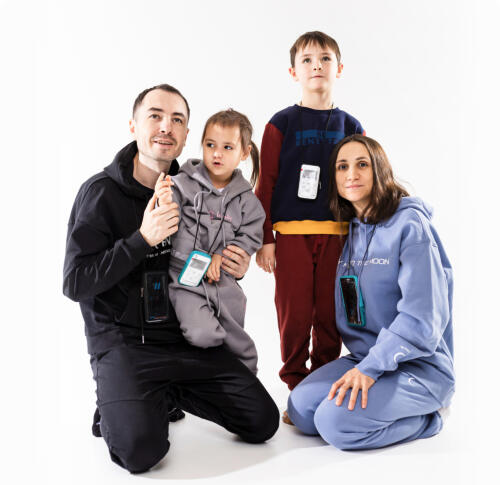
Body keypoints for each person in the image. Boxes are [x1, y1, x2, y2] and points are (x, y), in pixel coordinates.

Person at [63, 84, 279, 474]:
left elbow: (217, 249)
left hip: (184, 338)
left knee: (262, 421)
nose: (166, 126)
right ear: (133, 125)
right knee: (140, 452)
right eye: (155, 116)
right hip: (127, 344)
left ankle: (162, 395)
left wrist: (238, 261)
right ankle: (122, 399)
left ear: (185, 135)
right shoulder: (101, 193)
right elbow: (75, 283)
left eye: (177, 119)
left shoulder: (198, 186)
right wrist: (142, 239)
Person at [287, 135, 455, 449]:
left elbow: (423, 318)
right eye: (342, 166)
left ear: (379, 169)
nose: (351, 174)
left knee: (334, 424)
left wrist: (371, 368)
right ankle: (371, 404)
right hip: (365, 357)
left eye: (362, 164)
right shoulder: (351, 230)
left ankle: (431, 418)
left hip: (419, 366)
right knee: (302, 410)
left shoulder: (410, 224)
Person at [254, 31, 365, 421]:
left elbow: (361, 186)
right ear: (293, 72)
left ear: (339, 68)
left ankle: (323, 386)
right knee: (295, 315)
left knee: (332, 315)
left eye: (325, 58)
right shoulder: (281, 123)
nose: (316, 65)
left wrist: (362, 239)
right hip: (291, 236)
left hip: (340, 237)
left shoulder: (351, 125)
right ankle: (297, 388)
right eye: (307, 60)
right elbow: (265, 183)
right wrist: (265, 239)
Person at [154, 109, 265, 374]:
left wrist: (222, 256)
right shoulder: (182, 184)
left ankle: (245, 385)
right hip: (186, 278)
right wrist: (163, 201)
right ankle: (210, 372)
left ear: (244, 152)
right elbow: (166, 217)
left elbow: (250, 236)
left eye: (227, 147)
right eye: (210, 145)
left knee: (241, 346)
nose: (217, 154)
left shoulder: (248, 201)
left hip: (223, 281)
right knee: (204, 334)